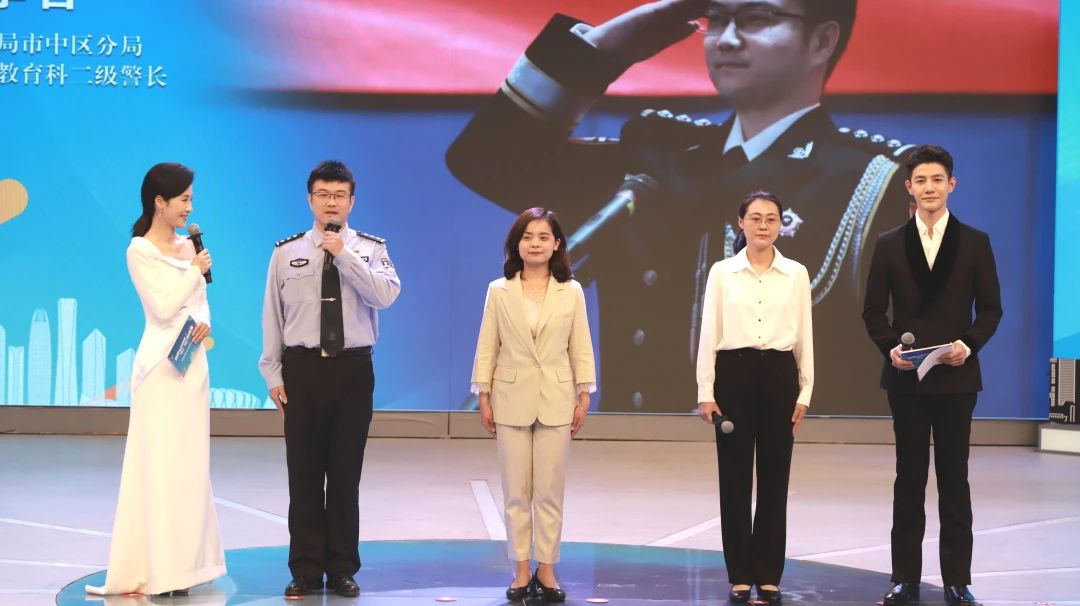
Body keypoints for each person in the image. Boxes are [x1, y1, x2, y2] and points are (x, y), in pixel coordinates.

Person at [447, 0, 911, 414]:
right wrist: (602, 52)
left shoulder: (872, 183)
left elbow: (900, 359)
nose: (727, 39)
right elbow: (486, 161)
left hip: (784, 463)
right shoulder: (659, 156)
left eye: (756, 18)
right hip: (637, 459)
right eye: (717, 18)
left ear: (822, 40)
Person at [862, 145, 1002, 606]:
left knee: (954, 480)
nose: (929, 188)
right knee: (908, 479)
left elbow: (991, 309)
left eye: (937, 180)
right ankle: (904, 578)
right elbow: (873, 311)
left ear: (951, 185)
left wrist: (968, 345)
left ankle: (957, 580)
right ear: (909, 187)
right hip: (907, 380)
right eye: (920, 180)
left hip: (957, 379)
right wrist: (891, 349)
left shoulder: (975, 242)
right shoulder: (889, 243)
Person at [258, 160, 401, 598]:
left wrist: (345, 256)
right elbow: (273, 316)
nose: (331, 202)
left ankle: (342, 567)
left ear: (351, 201)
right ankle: (304, 568)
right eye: (323, 194)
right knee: (303, 475)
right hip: (302, 370)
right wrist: (272, 373)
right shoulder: (286, 252)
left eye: (339, 195)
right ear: (310, 200)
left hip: (352, 370)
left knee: (344, 474)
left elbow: (386, 295)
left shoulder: (370, 249)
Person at [86, 162, 225, 597]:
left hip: (192, 365)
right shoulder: (139, 250)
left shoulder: (189, 247)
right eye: (183, 199)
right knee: (160, 465)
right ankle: (157, 570)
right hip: (160, 371)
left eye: (191, 199)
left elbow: (199, 302)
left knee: (189, 466)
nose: (189, 207)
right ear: (159, 202)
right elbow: (163, 308)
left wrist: (204, 318)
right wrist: (193, 270)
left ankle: (184, 570)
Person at [470, 207, 596, 602]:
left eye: (543, 237)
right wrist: (484, 395)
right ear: (516, 244)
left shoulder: (570, 291)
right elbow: (487, 345)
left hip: (557, 398)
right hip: (509, 397)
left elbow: (580, 345)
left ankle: (547, 569)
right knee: (515, 491)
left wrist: (584, 393)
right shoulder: (499, 290)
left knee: (549, 491)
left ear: (556, 244)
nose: (535, 244)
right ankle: (521, 569)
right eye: (527, 237)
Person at [695, 191, 812, 604]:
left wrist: (805, 390)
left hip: (780, 375)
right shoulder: (722, 272)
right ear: (740, 223)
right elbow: (709, 331)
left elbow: (805, 334)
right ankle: (741, 574)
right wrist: (705, 390)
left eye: (772, 218)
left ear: (781, 224)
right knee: (734, 478)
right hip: (734, 374)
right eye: (756, 218)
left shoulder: (796, 273)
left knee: (776, 478)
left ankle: (769, 572)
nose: (763, 225)